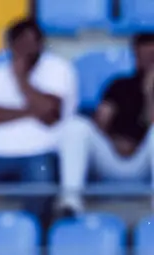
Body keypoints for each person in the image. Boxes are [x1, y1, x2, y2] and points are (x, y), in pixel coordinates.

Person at [0, 17, 75, 218]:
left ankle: (35, 242)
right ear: (11, 45)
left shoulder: (58, 68)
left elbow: (50, 114)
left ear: (41, 43)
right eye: (20, 43)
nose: (26, 49)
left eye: (31, 42)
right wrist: (31, 110)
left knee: (41, 192)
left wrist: (22, 80)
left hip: (40, 151)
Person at [57, 32, 154, 216]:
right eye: (146, 55)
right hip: (112, 159)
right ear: (136, 56)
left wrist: (150, 93)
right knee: (76, 126)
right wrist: (114, 140)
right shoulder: (119, 85)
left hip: (145, 165)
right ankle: (70, 200)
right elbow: (100, 122)